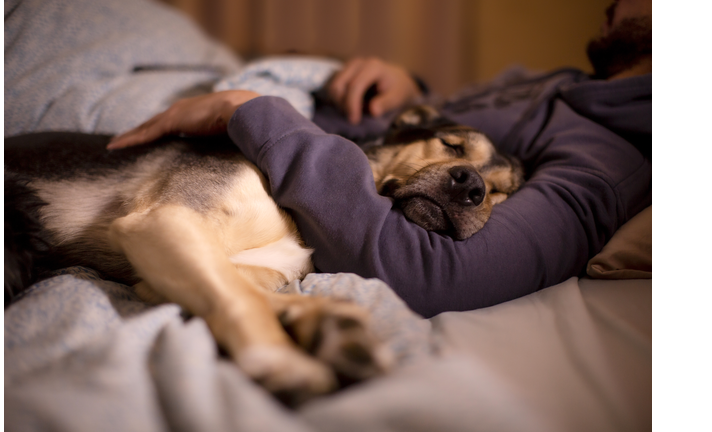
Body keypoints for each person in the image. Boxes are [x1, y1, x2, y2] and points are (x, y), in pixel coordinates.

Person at [86, 1, 655, 318]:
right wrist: (409, 90)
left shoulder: (612, 160)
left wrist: (255, 110)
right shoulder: (561, 83)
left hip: (245, 136)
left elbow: (430, 274)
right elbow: (432, 129)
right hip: (284, 118)